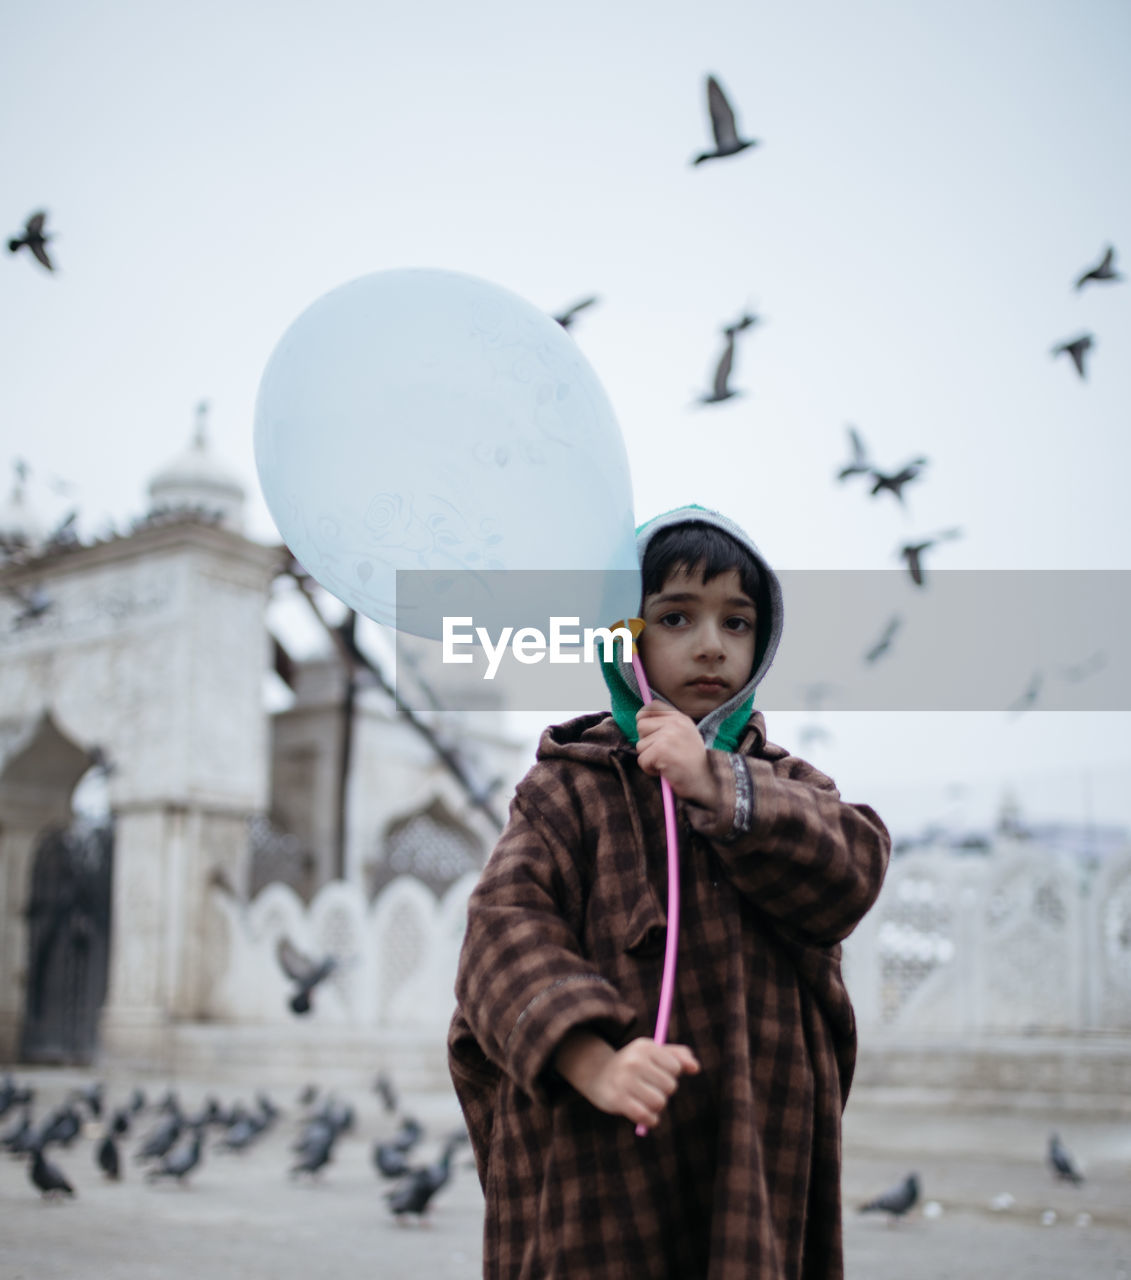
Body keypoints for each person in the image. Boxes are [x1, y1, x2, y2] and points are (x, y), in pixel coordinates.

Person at [448, 505, 891, 1279]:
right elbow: (499, 931)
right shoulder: (567, 789)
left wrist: (714, 781)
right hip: (604, 1151)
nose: (711, 643)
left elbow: (849, 872)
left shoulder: (784, 784)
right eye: (677, 616)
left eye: (737, 620)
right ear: (625, 635)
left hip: (752, 1151)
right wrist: (593, 1063)